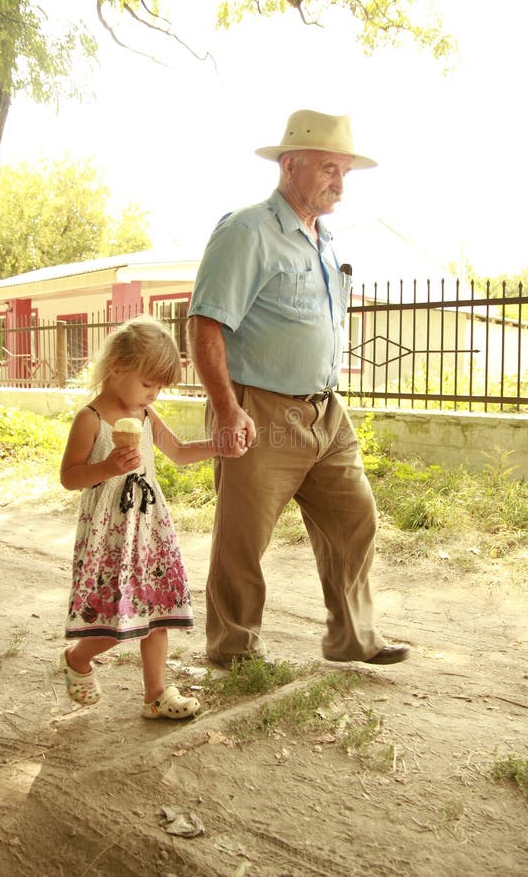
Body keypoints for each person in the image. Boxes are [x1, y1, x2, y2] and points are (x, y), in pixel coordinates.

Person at [187, 109, 410, 668]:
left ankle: (351, 637)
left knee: (355, 517)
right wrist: (227, 409)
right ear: (290, 166)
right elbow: (206, 323)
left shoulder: (326, 240)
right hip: (258, 408)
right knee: (243, 540)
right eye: (329, 167)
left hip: (326, 412)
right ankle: (233, 652)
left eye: (346, 171)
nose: (340, 181)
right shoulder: (247, 230)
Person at [59, 314, 223, 719]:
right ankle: (77, 657)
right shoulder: (90, 419)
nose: (154, 395)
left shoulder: (147, 417)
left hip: (149, 527)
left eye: (160, 387)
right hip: (110, 532)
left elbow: (180, 452)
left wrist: (221, 446)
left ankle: (155, 695)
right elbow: (69, 477)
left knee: (158, 612)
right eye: (148, 384)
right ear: (117, 369)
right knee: (115, 621)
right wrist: (109, 468)